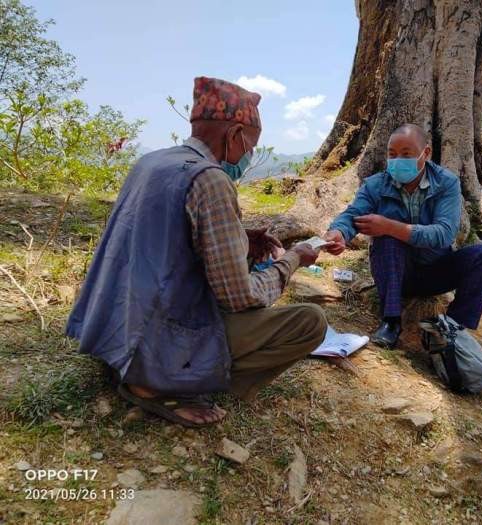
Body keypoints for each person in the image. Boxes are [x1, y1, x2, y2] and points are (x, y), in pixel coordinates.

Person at [66, 77, 327, 427]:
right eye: (250, 145)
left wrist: (241, 239)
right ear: (235, 136)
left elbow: (163, 241)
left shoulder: (151, 162)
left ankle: (146, 369)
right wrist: (293, 259)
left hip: (113, 327)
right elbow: (240, 296)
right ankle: (163, 384)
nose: (248, 156)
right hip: (155, 340)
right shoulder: (211, 180)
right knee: (310, 322)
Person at [323, 124, 482, 348]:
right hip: (395, 273)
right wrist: (339, 232)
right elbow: (353, 214)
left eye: (406, 154)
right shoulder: (376, 184)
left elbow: (444, 234)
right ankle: (391, 322)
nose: (397, 160)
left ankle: (453, 327)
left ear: (425, 153)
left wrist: (390, 226)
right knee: (386, 240)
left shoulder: (446, 183)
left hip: (437, 269)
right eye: (392, 154)